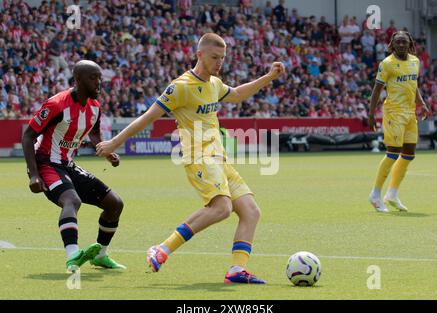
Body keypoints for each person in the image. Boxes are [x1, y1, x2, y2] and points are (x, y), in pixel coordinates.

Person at [96, 33, 285, 284]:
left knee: (251, 211)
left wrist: (269, 77)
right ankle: (162, 248)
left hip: (219, 158)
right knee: (222, 208)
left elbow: (237, 94)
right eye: (214, 57)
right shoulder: (180, 87)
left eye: (222, 58)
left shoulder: (214, 84)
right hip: (199, 157)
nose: (219, 63)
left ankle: (237, 270)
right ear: (199, 55)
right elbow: (147, 118)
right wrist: (112, 143)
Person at [22, 60, 126, 272]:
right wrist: (33, 174)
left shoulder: (95, 107)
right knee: (72, 200)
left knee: (115, 203)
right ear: (78, 80)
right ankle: (72, 256)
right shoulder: (56, 104)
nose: (99, 83)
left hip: (67, 164)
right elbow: (28, 135)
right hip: (46, 163)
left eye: (100, 78)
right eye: (93, 78)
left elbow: (95, 134)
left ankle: (100, 255)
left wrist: (106, 152)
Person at [368, 31, 429, 213]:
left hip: (410, 112)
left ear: (409, 43)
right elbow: (377, 89)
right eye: (398, 42)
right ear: (392, 44)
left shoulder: (415, 61)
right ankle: (375, 194)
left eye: (404, 42)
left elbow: (413, 85)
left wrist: (422, 103)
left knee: (409, 154)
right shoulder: (386, 64)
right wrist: (371, 114)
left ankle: (392, 194)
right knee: (393, 152)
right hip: (394, 112)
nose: (401, 45)